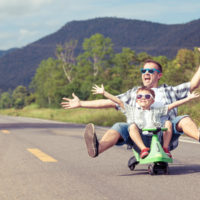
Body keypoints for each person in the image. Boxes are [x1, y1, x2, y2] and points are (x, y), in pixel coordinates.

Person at [61, 59, 200, 158]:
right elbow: (109, 101)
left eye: (151, 71)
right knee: (119, 126)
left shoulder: (170, 91)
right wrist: (81, 104)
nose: (146, 73)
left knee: (184, 119)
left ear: (159, 75)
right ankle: (97, 148)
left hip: (165, 135)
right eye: (143, 70)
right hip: (140, 137)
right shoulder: (134, 93)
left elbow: (193, 84)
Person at [91, 84, 199, 159]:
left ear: (152, 100)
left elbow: (172, 105)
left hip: (158, 139)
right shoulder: (131, 110)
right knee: (132, 126)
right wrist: (104, 93)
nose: (143, 98)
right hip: (141, 140)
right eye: (140, 96)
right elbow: (118, 102)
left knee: (168, 123)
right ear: (137, 100)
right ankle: (143, 150)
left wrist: (188, 99)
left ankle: (165, 149)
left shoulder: (158, 110)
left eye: (147, 96)